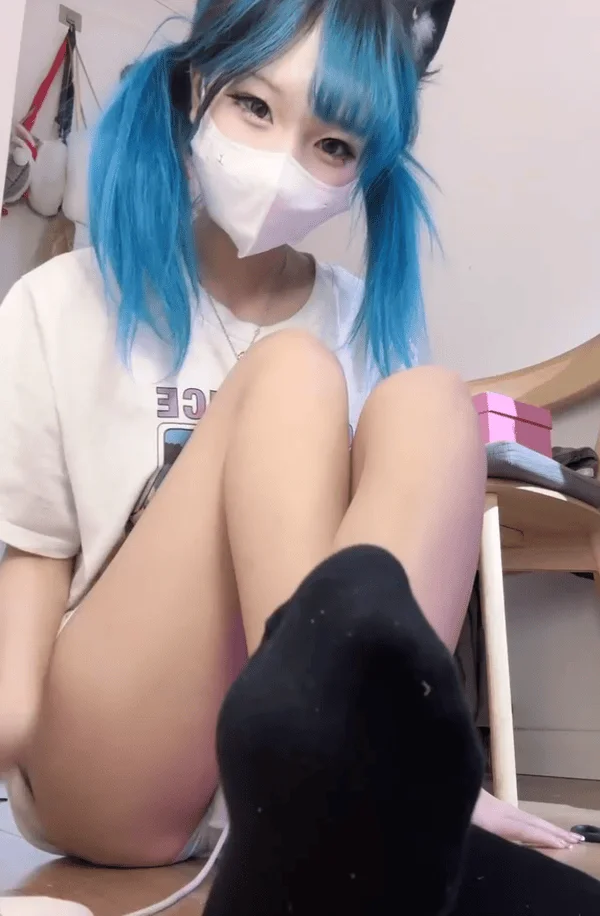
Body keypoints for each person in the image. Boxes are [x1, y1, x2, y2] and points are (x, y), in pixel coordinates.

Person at [0, 0, 588, 890]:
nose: (283, 163)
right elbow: (34, 567)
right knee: (291, 376)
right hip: (116, 764)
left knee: (434, 403)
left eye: (333, 145)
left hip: (307, 810)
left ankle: (364, 783)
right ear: (197, 87)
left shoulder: (368, 326)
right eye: (255, 106)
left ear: (363, 170)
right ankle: (337, 763)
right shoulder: (59, 305)